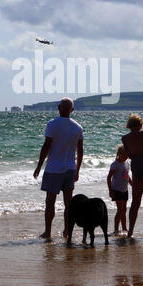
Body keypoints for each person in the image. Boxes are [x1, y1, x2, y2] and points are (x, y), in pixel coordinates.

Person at [33, 98, 84, 240]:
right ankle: (67, 230)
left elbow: (46, 146)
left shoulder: (52, 124)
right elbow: (80, 151)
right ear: (72, 110)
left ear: (59, 108)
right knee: (69, 203)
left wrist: (39, 166)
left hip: (54, 169)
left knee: (50, 202)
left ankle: (48, 231)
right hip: (69, 168)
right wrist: (77, 169)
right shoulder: (78, 127)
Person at [107, 144, 132, 234]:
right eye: (124, 155)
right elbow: (109, 177)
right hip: (116, 189)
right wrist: (110, 191)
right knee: (120, 210)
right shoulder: (115, 164)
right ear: (119, 154)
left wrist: (131, 183)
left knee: (124, 210)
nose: (126, 157)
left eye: (127, 155)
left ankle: (124, 228)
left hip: (124, 190)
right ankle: (116, 229)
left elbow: (127, 175)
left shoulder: (127, 163)